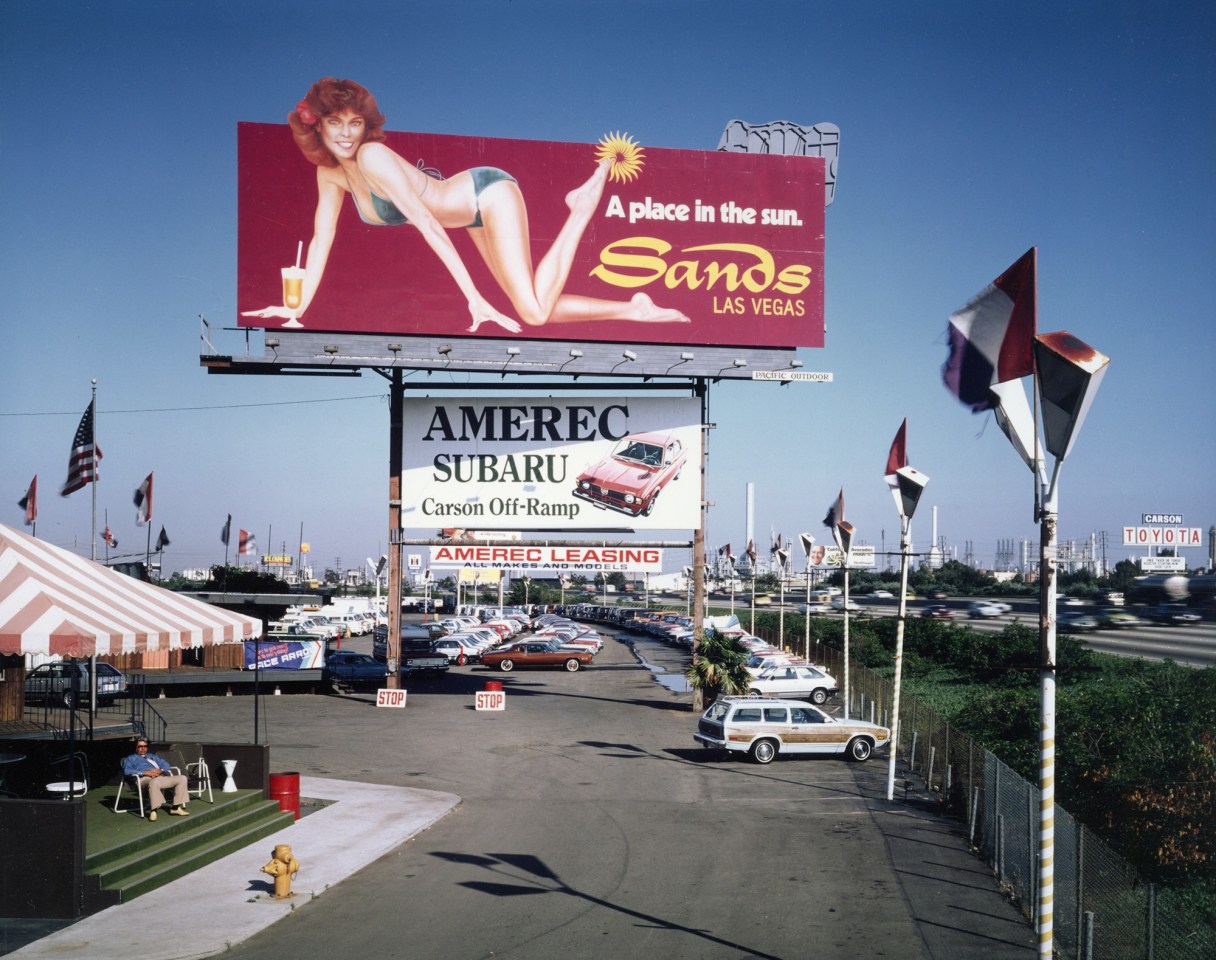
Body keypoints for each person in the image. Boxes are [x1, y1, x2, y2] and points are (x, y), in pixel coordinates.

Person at [242, 77, 690, 334]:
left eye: (354, 123)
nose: (345, 134)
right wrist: (297, 309)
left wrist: (474, 298)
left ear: (365, 127)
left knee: (531, 312)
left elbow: (429, 226)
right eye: (335, 123)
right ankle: (635, 307)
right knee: (536, 308)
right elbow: (323, 238)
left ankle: (583, 205)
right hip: (468, 216)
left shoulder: (373, 157)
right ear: (316, 126)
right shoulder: (330, 173)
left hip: (487, 195)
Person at [122, 739, 189, 822]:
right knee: (153, 782)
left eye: (145, 746)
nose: (143, 748)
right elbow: (127, 771)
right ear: (136, 747)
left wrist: (161, 770)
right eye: (140, 746)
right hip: (142, 779)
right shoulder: (130, 759)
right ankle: (153, 811)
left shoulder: (152, 756)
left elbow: (165, 764)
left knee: (182, 778)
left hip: (159, 777)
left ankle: (175, 808)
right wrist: (145, 773)